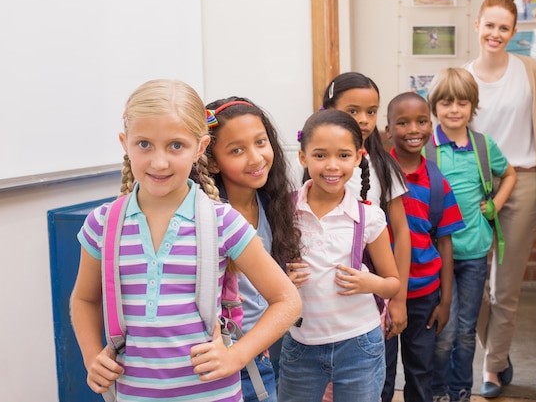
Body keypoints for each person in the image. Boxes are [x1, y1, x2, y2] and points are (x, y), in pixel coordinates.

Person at [70, 79, 301, 402]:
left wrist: (237, 356)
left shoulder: (223, 222)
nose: (159, 161)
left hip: (214, 394)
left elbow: (287, 300)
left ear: (201, 148)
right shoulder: (102, 223)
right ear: (125, 143)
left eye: (176, 145)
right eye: (144, 144)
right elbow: (84, 300)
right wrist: (91, 355)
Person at [278, 109, 401, 402]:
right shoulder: (283, 210)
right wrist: (284, 280)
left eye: (343, 156)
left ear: (358, 158)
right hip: (300, 344)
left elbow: (393, 283)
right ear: (303, 157)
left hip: (360, 344)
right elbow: (267, 273)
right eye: (320, 155)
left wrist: (369, 283)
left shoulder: (369, 217)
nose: (332, 166)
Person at [464, 0, 536, 398]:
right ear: (477, 25)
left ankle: (493, 368)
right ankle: (497, 348)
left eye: (504, 27)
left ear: (514, 31)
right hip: (474, 187)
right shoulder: (462, 78)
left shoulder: (532, 70)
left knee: (506, 288)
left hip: (524, 181)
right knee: (474, 284)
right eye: (489, 25)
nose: (495, 33)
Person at [426, 68, 517, 402]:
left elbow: (509, 175)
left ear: (472, 107)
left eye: (462, 103)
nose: (454, 110)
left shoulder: (483, 145)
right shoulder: (427, 147)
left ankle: (460, 391)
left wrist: (494, 205)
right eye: (446, 103)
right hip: (438, 255)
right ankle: (437, 391)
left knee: (465, 332)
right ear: (434, 106)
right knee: (443, 332)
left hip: (474, 252)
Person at [203, 96, 302, 402]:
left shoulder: (273, 204)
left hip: (273, 346)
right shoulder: (209, 215)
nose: (256, 157)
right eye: (237, 150)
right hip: (232, 353)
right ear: (213, 161)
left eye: (261, 142)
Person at [321, 71, 411, 402]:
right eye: (353, 110)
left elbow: (401, 233)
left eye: (371, 111)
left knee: (373, 382)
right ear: (327, 108)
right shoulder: (312, 163)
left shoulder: (383, 167)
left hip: (375, 297)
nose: (363, 120)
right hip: (323, 299)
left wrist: (398, 298)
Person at [384, 92, 466, 402]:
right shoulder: (376, 175)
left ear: (431, 126)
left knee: (421, 373)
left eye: (421, 121)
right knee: (382, 372)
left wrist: (445, 300)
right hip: (383, 292)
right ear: (389, 129)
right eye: (403, 123)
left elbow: (445, 243)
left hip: (425, 296)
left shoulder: (436, 180)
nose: (413, 129)